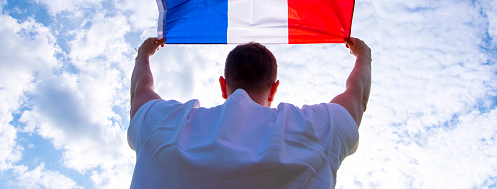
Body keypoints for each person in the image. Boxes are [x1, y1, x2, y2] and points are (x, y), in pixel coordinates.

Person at [128, 37, 371, 188]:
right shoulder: (315, 130)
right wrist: (363, 56)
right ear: (274, 89)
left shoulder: (164, 125)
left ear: (223, 86)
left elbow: (141, 90)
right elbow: (357, 96)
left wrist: (143, 55)